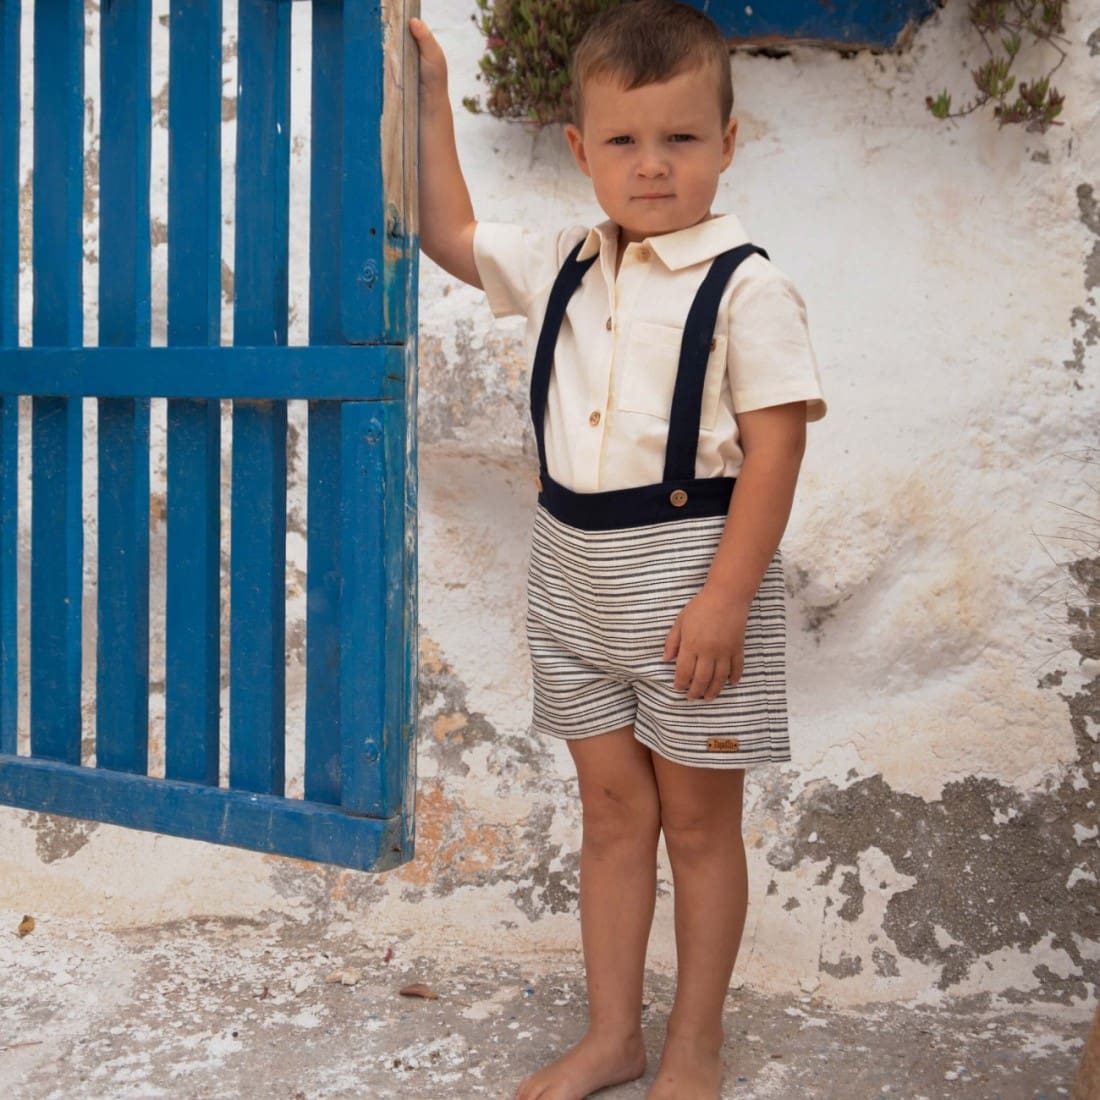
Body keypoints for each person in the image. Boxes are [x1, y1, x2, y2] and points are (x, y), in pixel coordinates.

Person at [410, 2, 825, 1097]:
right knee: (608, 812)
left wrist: (727, 595)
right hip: (571, 579)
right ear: (578, 150)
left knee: (695, 822)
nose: (652, 167)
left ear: (726, 146)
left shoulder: (748, 285)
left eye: (681, 140)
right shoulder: (561, 262)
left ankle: (692, 1039)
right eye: (624, 142)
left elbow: (775, 448)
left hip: (691, 583)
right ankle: (613, 1032)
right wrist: (428, 98)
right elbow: (448, 236)